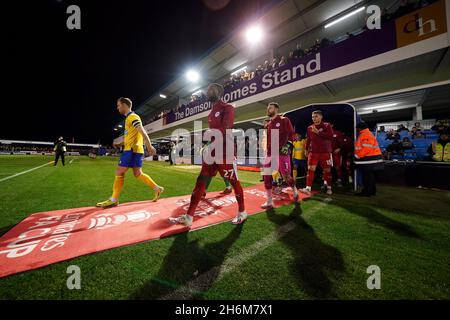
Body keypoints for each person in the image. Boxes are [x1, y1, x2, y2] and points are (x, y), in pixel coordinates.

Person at [170, 83, 247, 227]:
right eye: (207, 89)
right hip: (213, 152)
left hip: (226, 151)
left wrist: (208, 139)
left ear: (219, 92)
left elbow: (226, 128)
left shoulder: (227, 107)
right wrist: (207, 144)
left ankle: (242, 212)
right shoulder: (211, 113)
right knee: (201, 180)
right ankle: (189, 217)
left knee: (234, 181)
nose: (207, 91)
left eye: (211, 89)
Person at [96, 97, 164, 208]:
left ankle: (114, 199)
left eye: (118, 105)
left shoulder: (132, 116)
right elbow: (132, 136)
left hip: (132, 150)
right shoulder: (129, 118)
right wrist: (121, 143)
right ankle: (157, 189)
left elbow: (142, 131)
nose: (117, 108)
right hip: (135, 149)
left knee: (119, 171)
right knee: (138, 174)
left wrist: (149, 146)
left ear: (124, 104)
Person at [261, 103, 298, 209]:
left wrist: (290, 144)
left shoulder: (284, 120)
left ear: (276, 109)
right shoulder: (268, 124)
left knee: (286, 176)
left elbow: (291, 133)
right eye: (267, 108)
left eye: (270, 108)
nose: (268, 109)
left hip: (282, 152)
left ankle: (294, 188)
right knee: (266, 176)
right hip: (270, 153)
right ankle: (269, 200)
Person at [300, 110, 334, 195]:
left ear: (321, 117)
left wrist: (318, 132)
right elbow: (309, 140)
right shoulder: (309, 128)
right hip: (313, 152)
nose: (314, 118)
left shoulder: (327, 125)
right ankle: (308, 188)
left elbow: (330, 136)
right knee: (310, 170)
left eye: (316, 116)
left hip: (325, 152)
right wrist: (306, 149)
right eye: (312, 117)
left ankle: (329, 187)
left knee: (327, 170)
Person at [354, 122, 384, 196]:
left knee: (367, 177)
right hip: (372, 159)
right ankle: (371, 191)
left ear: (360, 128)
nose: (356, 129)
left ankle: (366, 192)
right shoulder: (367, 134)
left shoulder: (365, 134)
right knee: (370, 177)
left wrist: (357, 156)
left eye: (357, 128)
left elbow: (366, 148)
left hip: (370, 159)